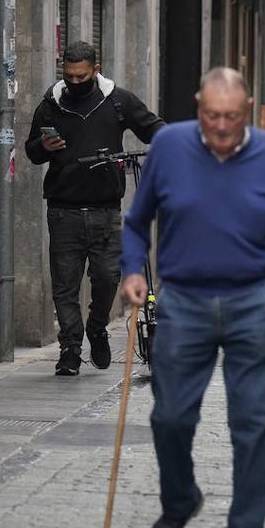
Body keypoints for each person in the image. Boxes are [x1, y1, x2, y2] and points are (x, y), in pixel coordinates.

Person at [119, 68, 265, 528]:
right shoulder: (170, 147)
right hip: (183, 302)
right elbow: (137, 223)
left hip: (253, 303)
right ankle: (180, 500)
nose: (220, 127)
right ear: (197, 106)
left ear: (246, 110)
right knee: (171, 417)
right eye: (210, 115)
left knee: (253, 425)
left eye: (229, 117)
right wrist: (132, 271)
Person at [23, 41, 164, 377]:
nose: (74, 82)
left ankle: (97, 328)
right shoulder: (50, 105)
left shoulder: (117, 100)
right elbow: (32, 152)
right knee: (65, 285)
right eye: (69, 76)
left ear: (95, 70)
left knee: (107, 277)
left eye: (81, 76)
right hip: (63, 210)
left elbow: (153, 127)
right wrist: (43, 146)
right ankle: (70, 350)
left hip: (106, 210)